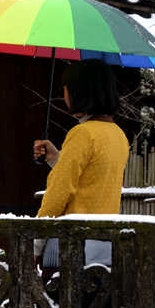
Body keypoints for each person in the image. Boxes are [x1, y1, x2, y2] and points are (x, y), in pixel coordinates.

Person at [33, 60, 129, 268]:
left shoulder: (82, 133)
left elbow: (58, 193)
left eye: (66, 89)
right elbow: (91, 178)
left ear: (79, 92)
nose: (64, 94)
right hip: (104, 245)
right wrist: (56, 158)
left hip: (73, 245)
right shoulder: (118, 135)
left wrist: (36, 242)